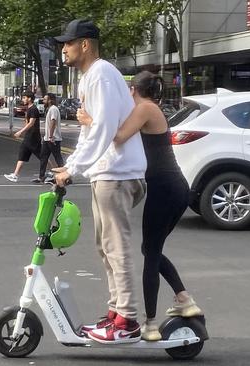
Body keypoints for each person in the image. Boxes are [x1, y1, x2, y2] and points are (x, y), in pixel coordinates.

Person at [76, 71, 203, 341]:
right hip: (168, 187)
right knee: (150, 249)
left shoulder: (146, 108)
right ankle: (184, 299)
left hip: (166, 188)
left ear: (133, 90)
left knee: (151, 254)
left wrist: (89, 120)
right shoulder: (149, 108)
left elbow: (118, 136)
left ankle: (151, 324)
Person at [53, 19, 147, 344]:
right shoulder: (89, 79)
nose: (63, 48)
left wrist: (73, 170)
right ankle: (115, 313)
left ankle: (128, 320)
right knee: (104, 247)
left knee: (116, 247)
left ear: (85, 45)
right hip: (105, 173)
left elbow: (104, 128)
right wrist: (70, 166)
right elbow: (87, 132)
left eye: (68, 42)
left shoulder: (102, 74)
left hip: (117, 174)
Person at [3, 91, 41, 182]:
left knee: (42, 156)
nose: (23, 99)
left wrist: (20, 131)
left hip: (33, 137)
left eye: (24, 98)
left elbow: (31, 123)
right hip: (29, 136)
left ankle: (55, 172)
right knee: (22, 155)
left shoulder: (33, 109)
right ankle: (15, 175)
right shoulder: (29, 108)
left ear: (30, 99)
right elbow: (27, 123)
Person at [32, 93, 64, 184]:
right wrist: (46, 137)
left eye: (45, 99)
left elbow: (53, 122)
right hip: (48, 139)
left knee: (58, 158)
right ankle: (41, 177)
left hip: (53, 138)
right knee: (43, 157)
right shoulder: (50, 109)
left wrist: (50, 136)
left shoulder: (53, 109)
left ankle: (65, 176)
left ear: (50, 100)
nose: (43, 101)